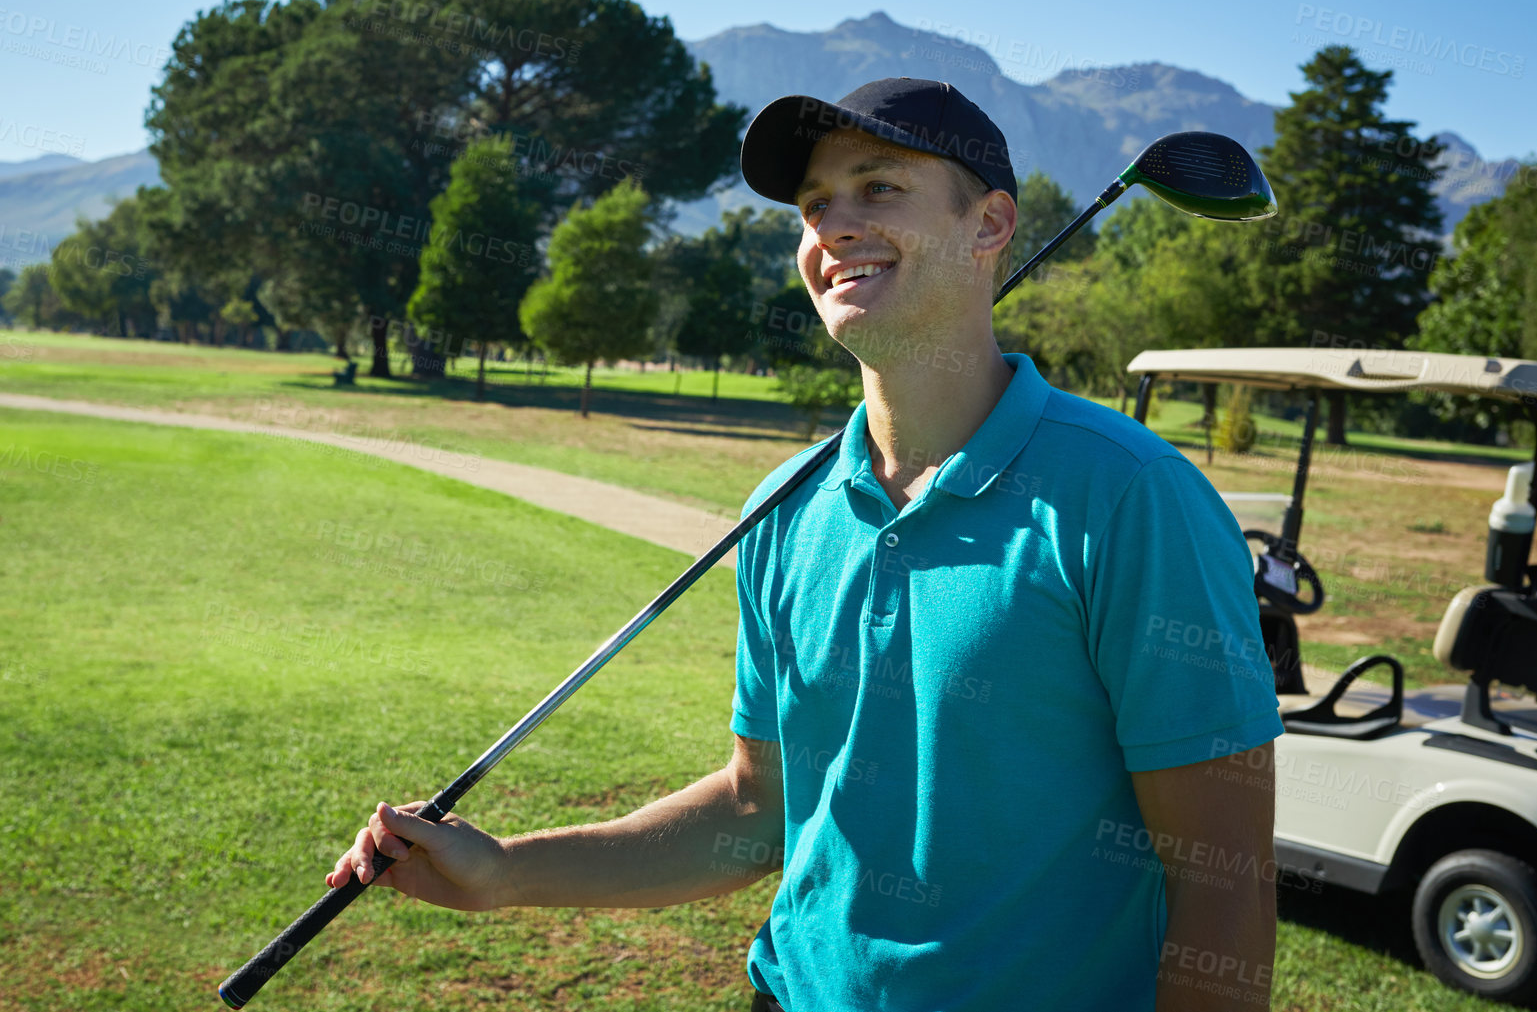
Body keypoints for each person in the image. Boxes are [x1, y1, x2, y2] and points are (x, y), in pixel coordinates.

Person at [328, 78, 1284, 1011]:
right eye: (815, 204)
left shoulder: (1131, 497)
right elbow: (759, 812)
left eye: (878, 189)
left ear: (990, 225)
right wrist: (501, 872)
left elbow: (1220, 881)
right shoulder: (782, 509)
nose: (833, 228)